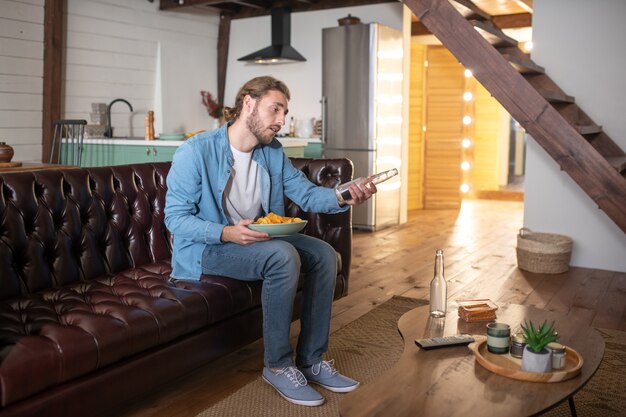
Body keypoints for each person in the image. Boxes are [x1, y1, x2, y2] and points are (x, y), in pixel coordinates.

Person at [164, 76, 376, 407]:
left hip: (256, 238)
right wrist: (227, 232)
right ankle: (277, 365)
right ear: (248, 103)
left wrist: (345, 194)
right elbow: (175, 219)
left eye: (285, 112)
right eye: (274, 109)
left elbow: (305, 193)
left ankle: (312, 359)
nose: (280, 121)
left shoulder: (271, 152)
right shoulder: (195, 151)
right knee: (281, 255)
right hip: (209, 248)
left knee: (323, 253)